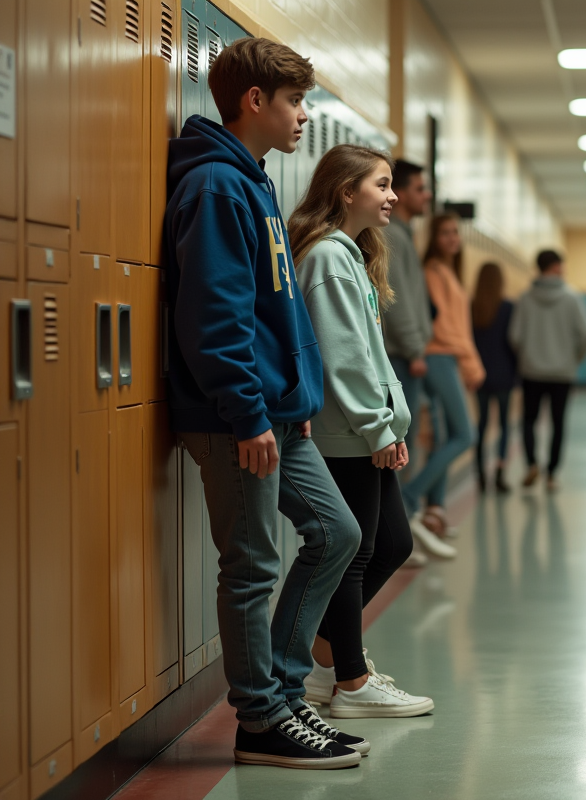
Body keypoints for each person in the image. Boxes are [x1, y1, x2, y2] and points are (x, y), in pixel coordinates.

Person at [164, 38, 363, 769]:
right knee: (250, 565)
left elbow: (273, 308)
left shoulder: (251, 181)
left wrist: (292, 395)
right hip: (237, 419)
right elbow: (215, 316)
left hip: (279, 413)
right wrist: (248, 411)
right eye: (296, 102)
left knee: (335, 533)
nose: (305, 117)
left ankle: (280, 694)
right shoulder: (217, 186)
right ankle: (260, 720)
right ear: (257, 102)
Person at [290, 143, 435, 720]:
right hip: (345, 432)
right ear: (347, 191)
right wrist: (378, 428)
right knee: (356, 554)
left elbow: (369, 354)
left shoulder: (349, 254)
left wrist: (388, 423)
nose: (393, 196)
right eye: (382, 184)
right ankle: (350, 681)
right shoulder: (327, 257)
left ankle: (328, 657)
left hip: (363, 430)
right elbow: (344, 357)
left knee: (392, 544)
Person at [400, 214, 484, 544]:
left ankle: (434, 509)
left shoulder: (448, 271)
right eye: (445, 233)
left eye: (455, 233)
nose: (452, 238)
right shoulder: (434, 272)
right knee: (465, 434)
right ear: (434, 238)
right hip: (438, 356)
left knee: (445, 435)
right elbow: (447, 328)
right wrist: (471, 363)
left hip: (446, 357)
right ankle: (410, 496)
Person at [380, 160, 436, 567]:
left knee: (406, 442)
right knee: (399, 443)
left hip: (408, 353)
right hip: (401, 357)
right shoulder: (394, 238)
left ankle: (405, 523)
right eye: (420, 188)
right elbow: (397, 302)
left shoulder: (404, 235)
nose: (426, 195)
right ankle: (397, 530)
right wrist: (416, 349)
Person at [509, 250, 586, 491]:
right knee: (559, 423)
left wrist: (528, 357)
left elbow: (514, 336)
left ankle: (531, 465)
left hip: (531, 372)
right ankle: (551, 476)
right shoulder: (572, 297)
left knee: (529, 420)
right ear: (556, 267)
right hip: (563, 373)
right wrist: (573, 358)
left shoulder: (526, 298)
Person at [471, 262, 518, 492]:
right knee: (503, 425)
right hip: (504, 375)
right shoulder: (508, 307)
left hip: (479, 376)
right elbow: (514, 343)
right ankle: (500, 472)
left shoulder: (472, 307)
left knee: (481, 425)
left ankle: (480, 475)